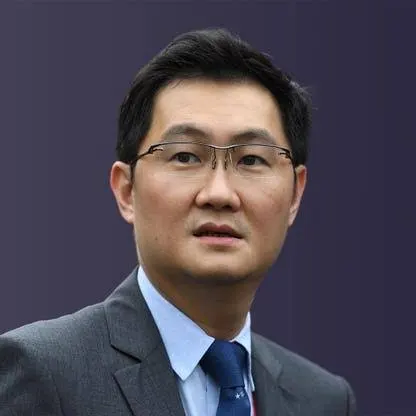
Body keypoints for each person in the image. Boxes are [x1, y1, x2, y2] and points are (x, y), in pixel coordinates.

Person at [0, 28, 356, 416]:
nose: (219, 193)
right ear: (126, 190)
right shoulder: (46, 374)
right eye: (185, 156)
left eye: (252, 159)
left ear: (295, 195)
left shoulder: (323, 400)